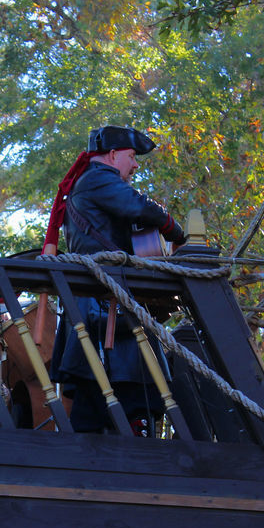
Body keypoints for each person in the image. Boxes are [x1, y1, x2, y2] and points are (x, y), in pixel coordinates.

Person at [43, 125, 186, 436]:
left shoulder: (93, 183)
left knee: (103, 392)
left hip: (103, 301)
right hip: (104, 303)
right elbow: (139, 206)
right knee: (124, 389)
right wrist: (174, 231)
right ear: (111, 155)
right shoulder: (97, 179)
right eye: (132, 156)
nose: (135, 165)